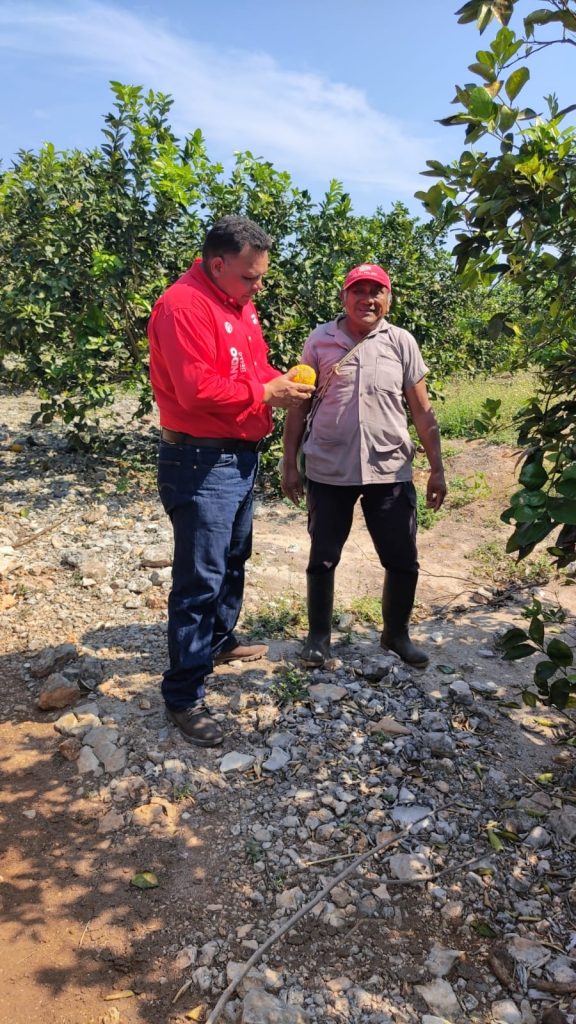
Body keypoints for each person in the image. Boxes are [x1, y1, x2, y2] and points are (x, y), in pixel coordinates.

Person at [148, 216, 314, 747]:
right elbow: (195, 389)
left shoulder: (237, 304)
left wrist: (279, 381)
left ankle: (219, 642)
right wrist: (266, 394)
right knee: (199, 579)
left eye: (261, 276)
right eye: (250, 277)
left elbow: (252, 368)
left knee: (233, 557)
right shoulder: (183, 306)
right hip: (200, 460)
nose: (257, 286)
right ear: (217, 264)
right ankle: (183, 695)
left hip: (238, 456)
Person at [281, 263, 446, 670]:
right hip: (328, 467)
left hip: (388, 469)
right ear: (344, 297)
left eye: (376, 292)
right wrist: (289, 463)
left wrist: (437, 468)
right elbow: (298, 407)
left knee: (402, 557)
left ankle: (396, 635)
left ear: (388, 299)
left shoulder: (402, 342)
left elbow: (422, 410)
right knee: (323, 556)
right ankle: (319, 638)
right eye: (358, 291)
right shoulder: (320, 340)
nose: (367, 300)